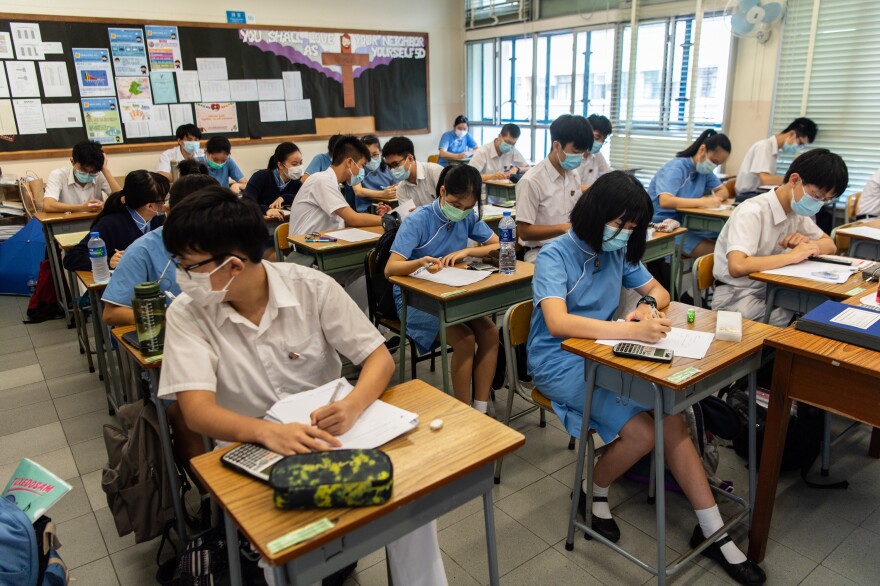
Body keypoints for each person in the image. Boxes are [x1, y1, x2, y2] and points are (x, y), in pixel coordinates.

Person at [157, 187, 447, 586]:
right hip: (251, 446)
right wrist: (268, 432)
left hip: (334, 433)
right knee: (287, 549)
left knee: (411, 505)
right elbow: (196, 411)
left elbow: (378, 358)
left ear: (234, 266)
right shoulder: (188, 314)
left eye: (189, 266)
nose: (181, 276)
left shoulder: (311, 287)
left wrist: (353, 405)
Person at [527, 171, 766, 585]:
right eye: (619, 224)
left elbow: (661, 292)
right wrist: (629, 329)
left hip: (606, 351)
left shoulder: (617, 249)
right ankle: (595, 489)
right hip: (559, 359)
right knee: (642, 434)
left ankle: (714, 533)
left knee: (670, 418)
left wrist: (645, 308)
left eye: (632, 227)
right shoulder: (555, 255)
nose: (624, 234)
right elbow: (557, 322)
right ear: (596, 213)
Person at [101, 173, 217, 519]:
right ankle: (212, 497)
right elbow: (112, 312)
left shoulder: (222, 241)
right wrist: (165, 315)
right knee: (182, 411)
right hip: (173, 353)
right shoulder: (146, 250)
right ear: (172, 211)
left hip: (225, 344)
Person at [385, 165, 500, 411]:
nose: (461, 212)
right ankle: (464, 410)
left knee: (491, 333)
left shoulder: (467, 216)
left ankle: (480, 406)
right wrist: (420, 262)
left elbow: (498, 244)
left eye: (468, 208)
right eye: (457, 205)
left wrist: (468, 250)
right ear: (443, 191)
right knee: (466, 340)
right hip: (415, 298)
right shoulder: (419, 219)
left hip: (452, 292)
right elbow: (390, 269)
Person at [713, 149, 845, 327]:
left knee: (822, 309)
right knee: (806, 323)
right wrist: (793, 256)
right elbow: (737, 266)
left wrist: (809, 245)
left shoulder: (795, 212)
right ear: (795, 180)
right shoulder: (752, 211)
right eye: (816, 196)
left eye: (825, 200)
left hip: (771, 291)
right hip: (737, 297)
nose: (819, 203)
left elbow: (830, 244)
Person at [102, 173, 219, 326]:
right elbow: (112, 313)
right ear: (168, 210)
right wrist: (170, 317)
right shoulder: (142, 251)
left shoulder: (230, 242)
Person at [289, 136, 390, 310]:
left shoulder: (332, 183)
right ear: (349, 162)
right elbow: (353, 218)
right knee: (367, 267)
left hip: (327, 250)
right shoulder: (321, 180)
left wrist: (381, 217)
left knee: (369, 265)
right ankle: (361, 323)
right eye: (362, 165)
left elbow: (348, 221)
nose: (362, 171)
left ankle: (361, 323)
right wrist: (387, 220)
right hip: (309, 256)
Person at [516, 114, 593, 262]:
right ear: (557, 146)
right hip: (541, 252)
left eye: (582, 153)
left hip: (571, 248)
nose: (579, 158)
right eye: (576, 153)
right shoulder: (531, 181)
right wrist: (562, 228)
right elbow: (524, 232)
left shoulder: (573, 174)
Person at [648, 129, 733, 259]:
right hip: (664, 226)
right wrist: (704, 202)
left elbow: (724, 191)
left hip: (687, 224)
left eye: (718, 164)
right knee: (723, 254)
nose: (714, 166)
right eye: (714, 161)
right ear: (702, 150)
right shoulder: (676, 168)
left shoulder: (703, 171)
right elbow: (665, 201)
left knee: (729, 243)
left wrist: (716, 198)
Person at [63, 171, 170, 272]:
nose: (165, 205)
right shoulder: (111, 224)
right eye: (163, 200)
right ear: (150, 206)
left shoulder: (158, 219)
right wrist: (108, 261)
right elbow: (72, 258)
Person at [735, 117, 818, 196]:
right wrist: (794, 180)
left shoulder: (773, 150)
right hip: (747, 195)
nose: (798, 148)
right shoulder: (764, 147)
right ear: (792, 134)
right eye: (800, 143)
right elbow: (765, 179)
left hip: (754, 193)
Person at [43, 140, 121, 213]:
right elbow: (48, 205)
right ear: (72, 162)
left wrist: (105, 169)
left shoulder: (99, 174)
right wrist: (81, 207)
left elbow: (122, 199)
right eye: (83, 169)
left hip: (96, 222)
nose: (87, 174)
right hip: (66, 224)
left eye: (93, 172)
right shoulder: (58, 175)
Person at [382, 136, 444, 218]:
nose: (392, 170)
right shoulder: (401, 189)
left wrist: (425, 211)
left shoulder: (436, 172)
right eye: (389, 166)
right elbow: (409, 218)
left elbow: (451, 205)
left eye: (395, 164)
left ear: (410, 159)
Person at [242, 142, 304, 221]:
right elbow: (247, 202)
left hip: (288, 223)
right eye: (294, 164)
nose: (299, 167)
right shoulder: (260, 177)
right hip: (261, 224)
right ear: (280, 165)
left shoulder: (296, 181)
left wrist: (284, 197)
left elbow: (303, 198)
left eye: (301, 163)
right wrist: (267, 210)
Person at [352, 134, 398, 212]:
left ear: (380, 152)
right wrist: (383, 194)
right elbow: (358, 191)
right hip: (367, 211)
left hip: (390, 208)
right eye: (367, 156)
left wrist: (394, 190)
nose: (371, 159)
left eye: (375, 154)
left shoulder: (388, 166)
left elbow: (398, 185)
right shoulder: (356, 168)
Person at [578, 114, 614, 190]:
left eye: (603, 141)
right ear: (586, 132)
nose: (600, 143)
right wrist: (592, 190)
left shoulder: (597, 155)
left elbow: (608, 173)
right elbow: (568, 187)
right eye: (597, 137)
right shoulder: (571, 157)